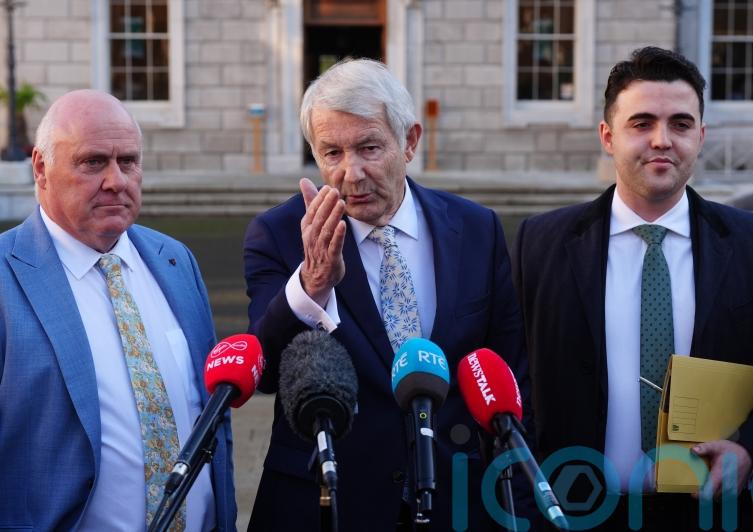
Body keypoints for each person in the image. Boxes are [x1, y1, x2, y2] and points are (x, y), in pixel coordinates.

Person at [512, 46, 753, 531]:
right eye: (641, 123)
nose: (662, 140)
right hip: (574, 513)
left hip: (713, 514)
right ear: (608, 136)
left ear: (701, 136)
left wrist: (751, 449)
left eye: (681, 124)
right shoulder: (541, 243)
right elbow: (509, 371)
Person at [244, 58, 532, 531]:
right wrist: (311, 286)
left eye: (369, 147)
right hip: (330, 502)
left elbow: (511, 377)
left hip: (459, 501)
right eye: (331, 153)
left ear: (410, 141)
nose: (351, 173)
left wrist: (517, 506)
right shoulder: (278, 234)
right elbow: (265, 372)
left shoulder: (477, 228)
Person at [0, 90, 236, 531]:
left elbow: (208, 416)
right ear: (41, 168)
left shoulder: (174, 260)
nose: (116, 180)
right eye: (93, 162)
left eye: (128, 161)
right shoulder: (5, 275)